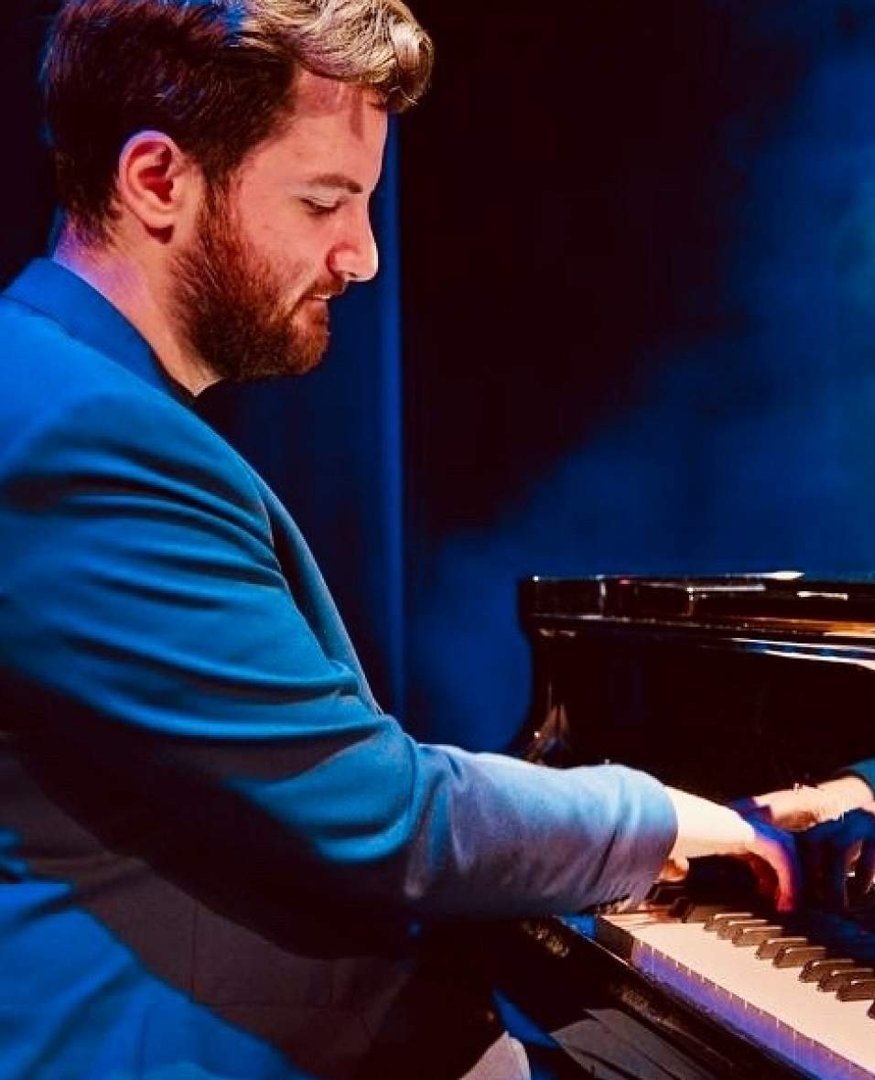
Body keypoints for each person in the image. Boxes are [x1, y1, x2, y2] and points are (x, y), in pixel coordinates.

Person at [0, 2, 795, 1077]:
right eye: (325, 201)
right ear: (157, 181)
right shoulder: (82, 432)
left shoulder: (57, 385)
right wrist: (660, 818)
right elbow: (379, 815)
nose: (362, 256)